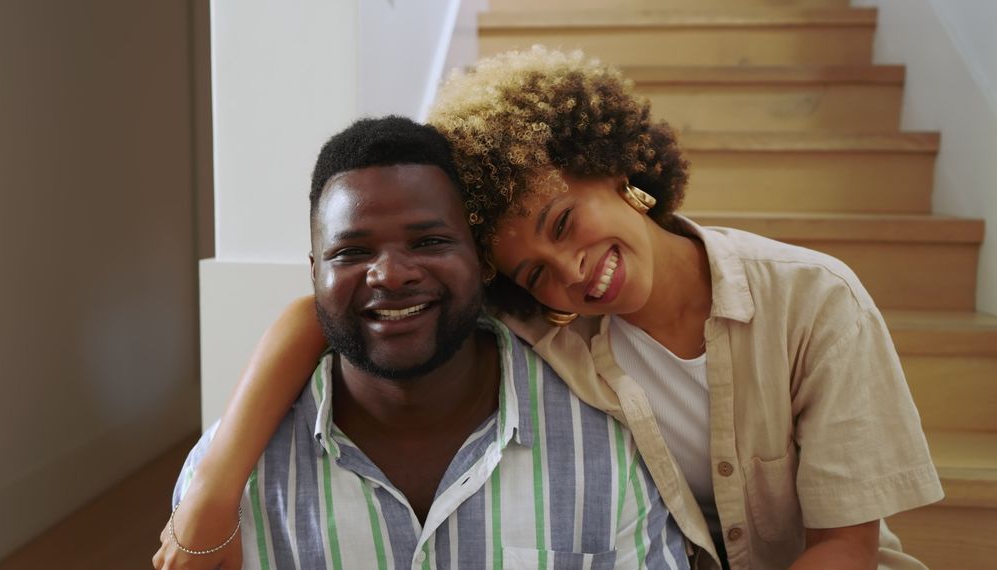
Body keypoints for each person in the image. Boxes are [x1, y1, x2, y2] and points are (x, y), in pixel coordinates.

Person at [156, 49, 944, 570]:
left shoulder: (812, 299)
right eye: (533, 268)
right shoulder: (551, 325)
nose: (574, 271)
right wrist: (216, 488)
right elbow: (327, 319)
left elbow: (846, 541)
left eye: (566, 222)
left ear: (612, 168)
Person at [155, 116, 689, 569]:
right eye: (352, 251)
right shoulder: (231, 483)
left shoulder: (607, 443)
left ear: (481, 262)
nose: (389, 275)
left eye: (429, 241)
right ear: (314, 272)